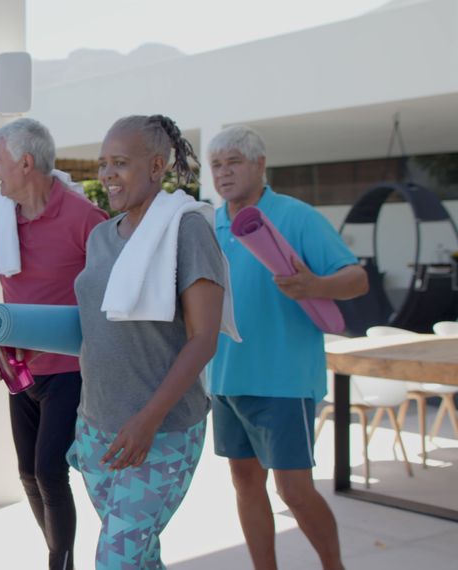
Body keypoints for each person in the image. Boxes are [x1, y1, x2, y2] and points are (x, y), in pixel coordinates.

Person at [68, 114, 229, 569]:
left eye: (120, 163)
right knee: (139, 557)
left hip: (162, 431)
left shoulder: (187, 229)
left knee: (115, 560)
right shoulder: (101, 236)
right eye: (102, 164)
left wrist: (147, 420)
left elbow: (204, 338)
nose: (107, 175)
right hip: (97, 428)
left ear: (157, 165)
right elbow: (98, 329)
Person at [207, 125, 367, 570]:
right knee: (244, 483)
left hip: (283, 379)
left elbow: (357, 279)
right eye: (216, 165)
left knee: (294, 490)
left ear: (260, 164)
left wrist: (316, 284)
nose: (223, 173)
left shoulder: (296, 217)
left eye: (234, 161)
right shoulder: (210, 224)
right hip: (224, 377)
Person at [0, 117, 108, 570]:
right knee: (27, 473)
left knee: (49, 470)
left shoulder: (87, 219)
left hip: (70, 368)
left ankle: (58, 564)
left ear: (25, 163)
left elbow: (109, 300)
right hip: (19, 370)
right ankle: (60, 557)